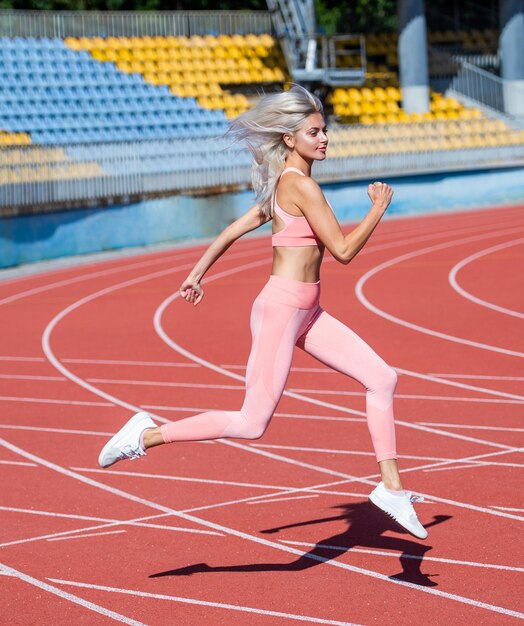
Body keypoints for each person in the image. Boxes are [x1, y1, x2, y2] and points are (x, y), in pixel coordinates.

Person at [98, 84, 428, 540]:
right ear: (290, 139)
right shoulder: (301, 186)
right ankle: (144, 436)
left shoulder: (282, 184)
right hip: (282, 309)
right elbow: (344, 250)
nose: (324, 138)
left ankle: (391, 487)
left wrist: (197, 272)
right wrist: (378, 208)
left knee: (382, 378)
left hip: (308, 311)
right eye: (314, 132)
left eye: (325, 130)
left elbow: (235, 228)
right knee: (252, 423)